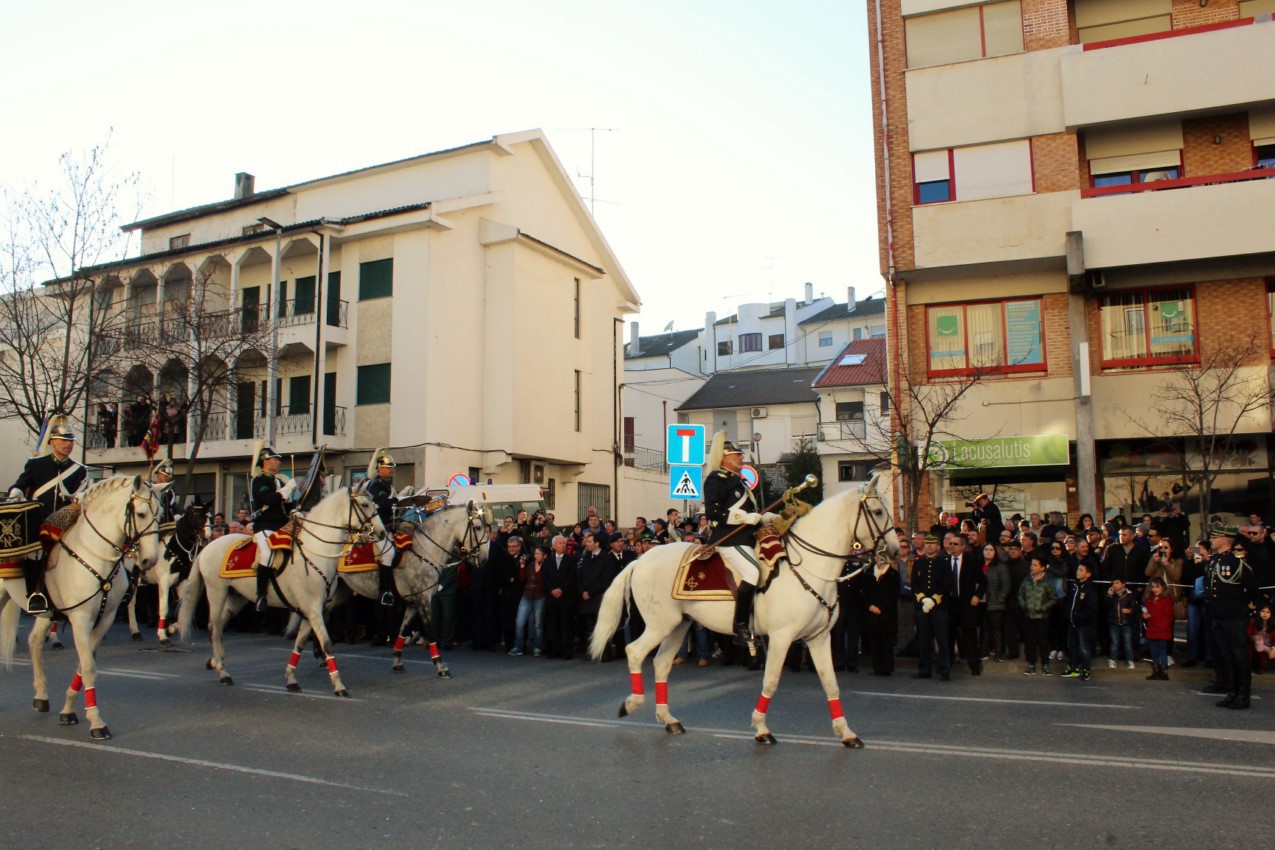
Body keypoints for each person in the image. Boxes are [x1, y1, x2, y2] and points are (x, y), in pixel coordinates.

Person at [7, 415, 87, 613]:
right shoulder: (36, 464)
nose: (68, 445)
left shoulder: (79, 470)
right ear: (52, 442)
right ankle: (35, 593)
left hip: (68, 523)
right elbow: (20, 484)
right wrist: (16, 491)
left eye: (71, 441)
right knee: (35, 550)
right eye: (64, 440)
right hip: (40, 521)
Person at [702, 432, 775, 645]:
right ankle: (740, 626)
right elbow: (713, 512)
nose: (741, 458)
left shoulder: (737, 480)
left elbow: (754, 514)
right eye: (737, 455)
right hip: (729, 539)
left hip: (746, 538)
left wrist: (772, 518)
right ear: (725, 458)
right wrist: (744, 517)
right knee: (753, 571)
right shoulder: (716, 479)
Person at [1205, 525, 1259, 709]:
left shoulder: (1237, 563)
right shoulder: (1215, 560)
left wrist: (1246, 610)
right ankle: (1232, 691)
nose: (1211, 540)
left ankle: (1243, 694)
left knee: (1239, 655)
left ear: (1224, 540)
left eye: (1214, 537)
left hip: (1234, 617)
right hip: (1218, 615)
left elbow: (1252, 591)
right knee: (1226, 655)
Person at [251, 445, 296, 613]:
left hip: (283, 525)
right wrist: (286, 490)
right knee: (268, 555)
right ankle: (261, 594)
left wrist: (295, 509)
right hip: (266, 525)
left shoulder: (278, 481)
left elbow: (287, 503)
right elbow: (269, 500)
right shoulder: (260, 481)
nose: (278, 462)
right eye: (275, 459)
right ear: (265, 461)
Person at [911, 533, 951, 681]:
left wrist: (935, 598)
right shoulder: (918, 563)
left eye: (932, 543)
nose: (929, 546)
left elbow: (947, 583)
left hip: (939, 607)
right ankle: (924, 669)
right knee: (924, 639)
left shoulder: (944, 562)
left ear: (937, 546)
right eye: (927, 543)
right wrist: (922, 597)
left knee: (941, 639)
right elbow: (914, 583)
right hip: (923, 606)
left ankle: (944, 669)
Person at [946, 531, 986, 675]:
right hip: (949, 603)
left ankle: (974, 666)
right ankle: (946, 666)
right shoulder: (944, 561)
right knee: (949, 635)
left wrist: (977, 595)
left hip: (966, 603)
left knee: (969, 635)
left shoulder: (971, 561)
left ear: (963, 546)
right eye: (950, 543)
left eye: (955, 544)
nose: (952, 546)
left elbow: (982, 582)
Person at [1018, 553, 1058, 675]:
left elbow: (1053, 598)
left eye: (1035, 565)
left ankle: (1045, 664)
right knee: (1030, 641)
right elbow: (1021, 594)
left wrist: (1043, 608)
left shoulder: (1047, 582)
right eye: (1032, 564)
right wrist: (1024, 605)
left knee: (1043, 641)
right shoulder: (1027, 579)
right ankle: (1031, 664)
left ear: (1042, 567)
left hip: (1042, 617)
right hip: (1029, 615)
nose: (1032, 567)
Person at [862, 552, 899, 676]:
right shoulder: (869, 573)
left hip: (886, 613)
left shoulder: (893, 574)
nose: (879, 559)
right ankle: (877, 667)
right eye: (877, 556)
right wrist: (870, 606)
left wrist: (881, 607)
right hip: (872, 611)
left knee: (886, 641)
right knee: (874, 641)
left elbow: (893, 594)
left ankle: (886, 667)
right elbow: (864, 592)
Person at [1062, 561, 1098, 680]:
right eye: (1078, 569)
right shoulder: (1074, 586)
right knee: (1072, 645)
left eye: (1081, 570)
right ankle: (1073, 667)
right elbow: (1069, 602)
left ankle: (1086, 669)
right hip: (1072, 622)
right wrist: (1069, 613)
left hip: (1084, 624)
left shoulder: (1089, 589)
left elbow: (1092, 609)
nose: (1078, 572)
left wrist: (1079, 616)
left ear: (1088, 574)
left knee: (1084, 648)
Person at [543, 534, 578, 659]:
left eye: (564, 543)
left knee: (566, 625)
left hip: (566, 597)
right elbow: (545, 578)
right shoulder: (548, 561)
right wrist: (552, 590)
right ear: (553, 546)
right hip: (552, 598)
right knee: (553, 624)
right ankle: (555, 650)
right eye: (560, 543)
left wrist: (561, 589)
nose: (563, 545)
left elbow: (572, 577)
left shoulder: (571, 559)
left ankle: (567, 651)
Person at [1142, 577, 1174, 680]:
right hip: (1152, 629)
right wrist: (1144, 615)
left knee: (1162, 652)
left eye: (1157, 587)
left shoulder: (1167, 600)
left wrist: (1163, 628)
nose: (1155, 589)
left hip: (1162, 630)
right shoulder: (1149, 600)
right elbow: (1145, 612)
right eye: (1153, 587)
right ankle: (1156, 671)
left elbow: (1169, 617)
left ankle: (1163, 672)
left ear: (1163, 587)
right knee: (1154, 652)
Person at [1107, 577, 1139, 670]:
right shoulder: (1111, 595)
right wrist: (1109, 596)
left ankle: (1130, 660)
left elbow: (1135, 608)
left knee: (1127, 643)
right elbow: (1106, 606)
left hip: (1126, 623)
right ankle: (1112, 659)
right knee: (1114, 642)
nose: (1114, 585)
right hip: (1114, 622)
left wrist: (1129, 610)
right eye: (1113, 583)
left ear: (1123, 584)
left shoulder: (1130, 595)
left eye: (1117, 583)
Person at [1248, 604, 1275, 674]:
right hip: (1258, 646)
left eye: (1267, 612)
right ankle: (1260, 668)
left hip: (1270, 646)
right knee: (1259, 641)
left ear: (1271, 614)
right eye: (1263, 611)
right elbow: (1249, 634)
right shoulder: (1253, 622)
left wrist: (1273, 648)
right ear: (1259, 612)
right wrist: (1254, 637)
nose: (1265, 614)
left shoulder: (1273, 624)